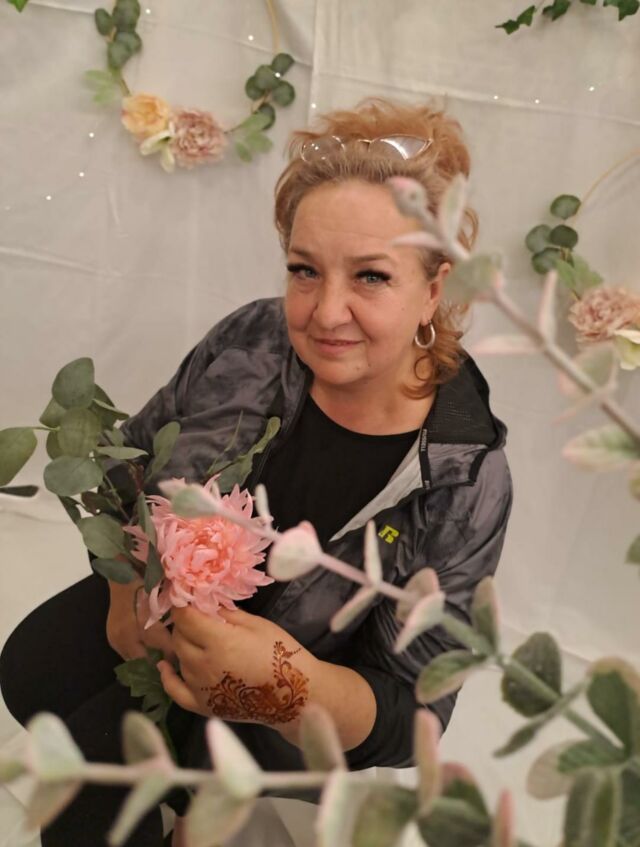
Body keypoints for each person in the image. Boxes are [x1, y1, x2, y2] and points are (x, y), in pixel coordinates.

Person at [0, 97, 512, 846]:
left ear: (434, 289)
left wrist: (285, 684)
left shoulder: (463, 478)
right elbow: (128, 466)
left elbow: (416, 716)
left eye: (371, 276)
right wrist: (123, 591)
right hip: (168, 618)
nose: (325, 312)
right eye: (305, 270)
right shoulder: (255, 338)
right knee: (30, 670)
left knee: (87, 783)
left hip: (298, 691)